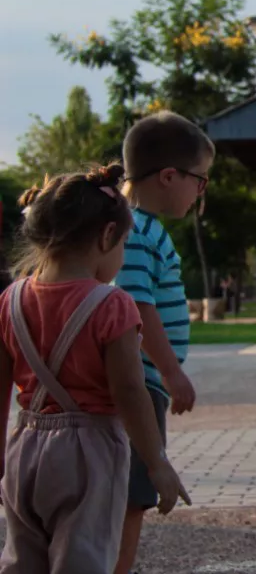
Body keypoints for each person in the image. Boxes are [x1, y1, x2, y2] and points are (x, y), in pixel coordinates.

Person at [0, 166, 189, 574]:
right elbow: (130, 391)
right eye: (122, 244)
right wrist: (157, 462)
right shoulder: (112, 304)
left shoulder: (10, 300)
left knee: (22, 561)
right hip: (88, 455)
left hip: (23, 448)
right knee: (82, 561)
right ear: (107, 237)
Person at [114, 111, 212, 574]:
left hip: (143, 379)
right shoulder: (136, 231)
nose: (200, 193)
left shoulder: (137, 227)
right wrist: (171, 372)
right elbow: (136, 306)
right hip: (140, 382)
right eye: (200, 180)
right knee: (132, 497)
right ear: (169, 177)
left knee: (129, 494)